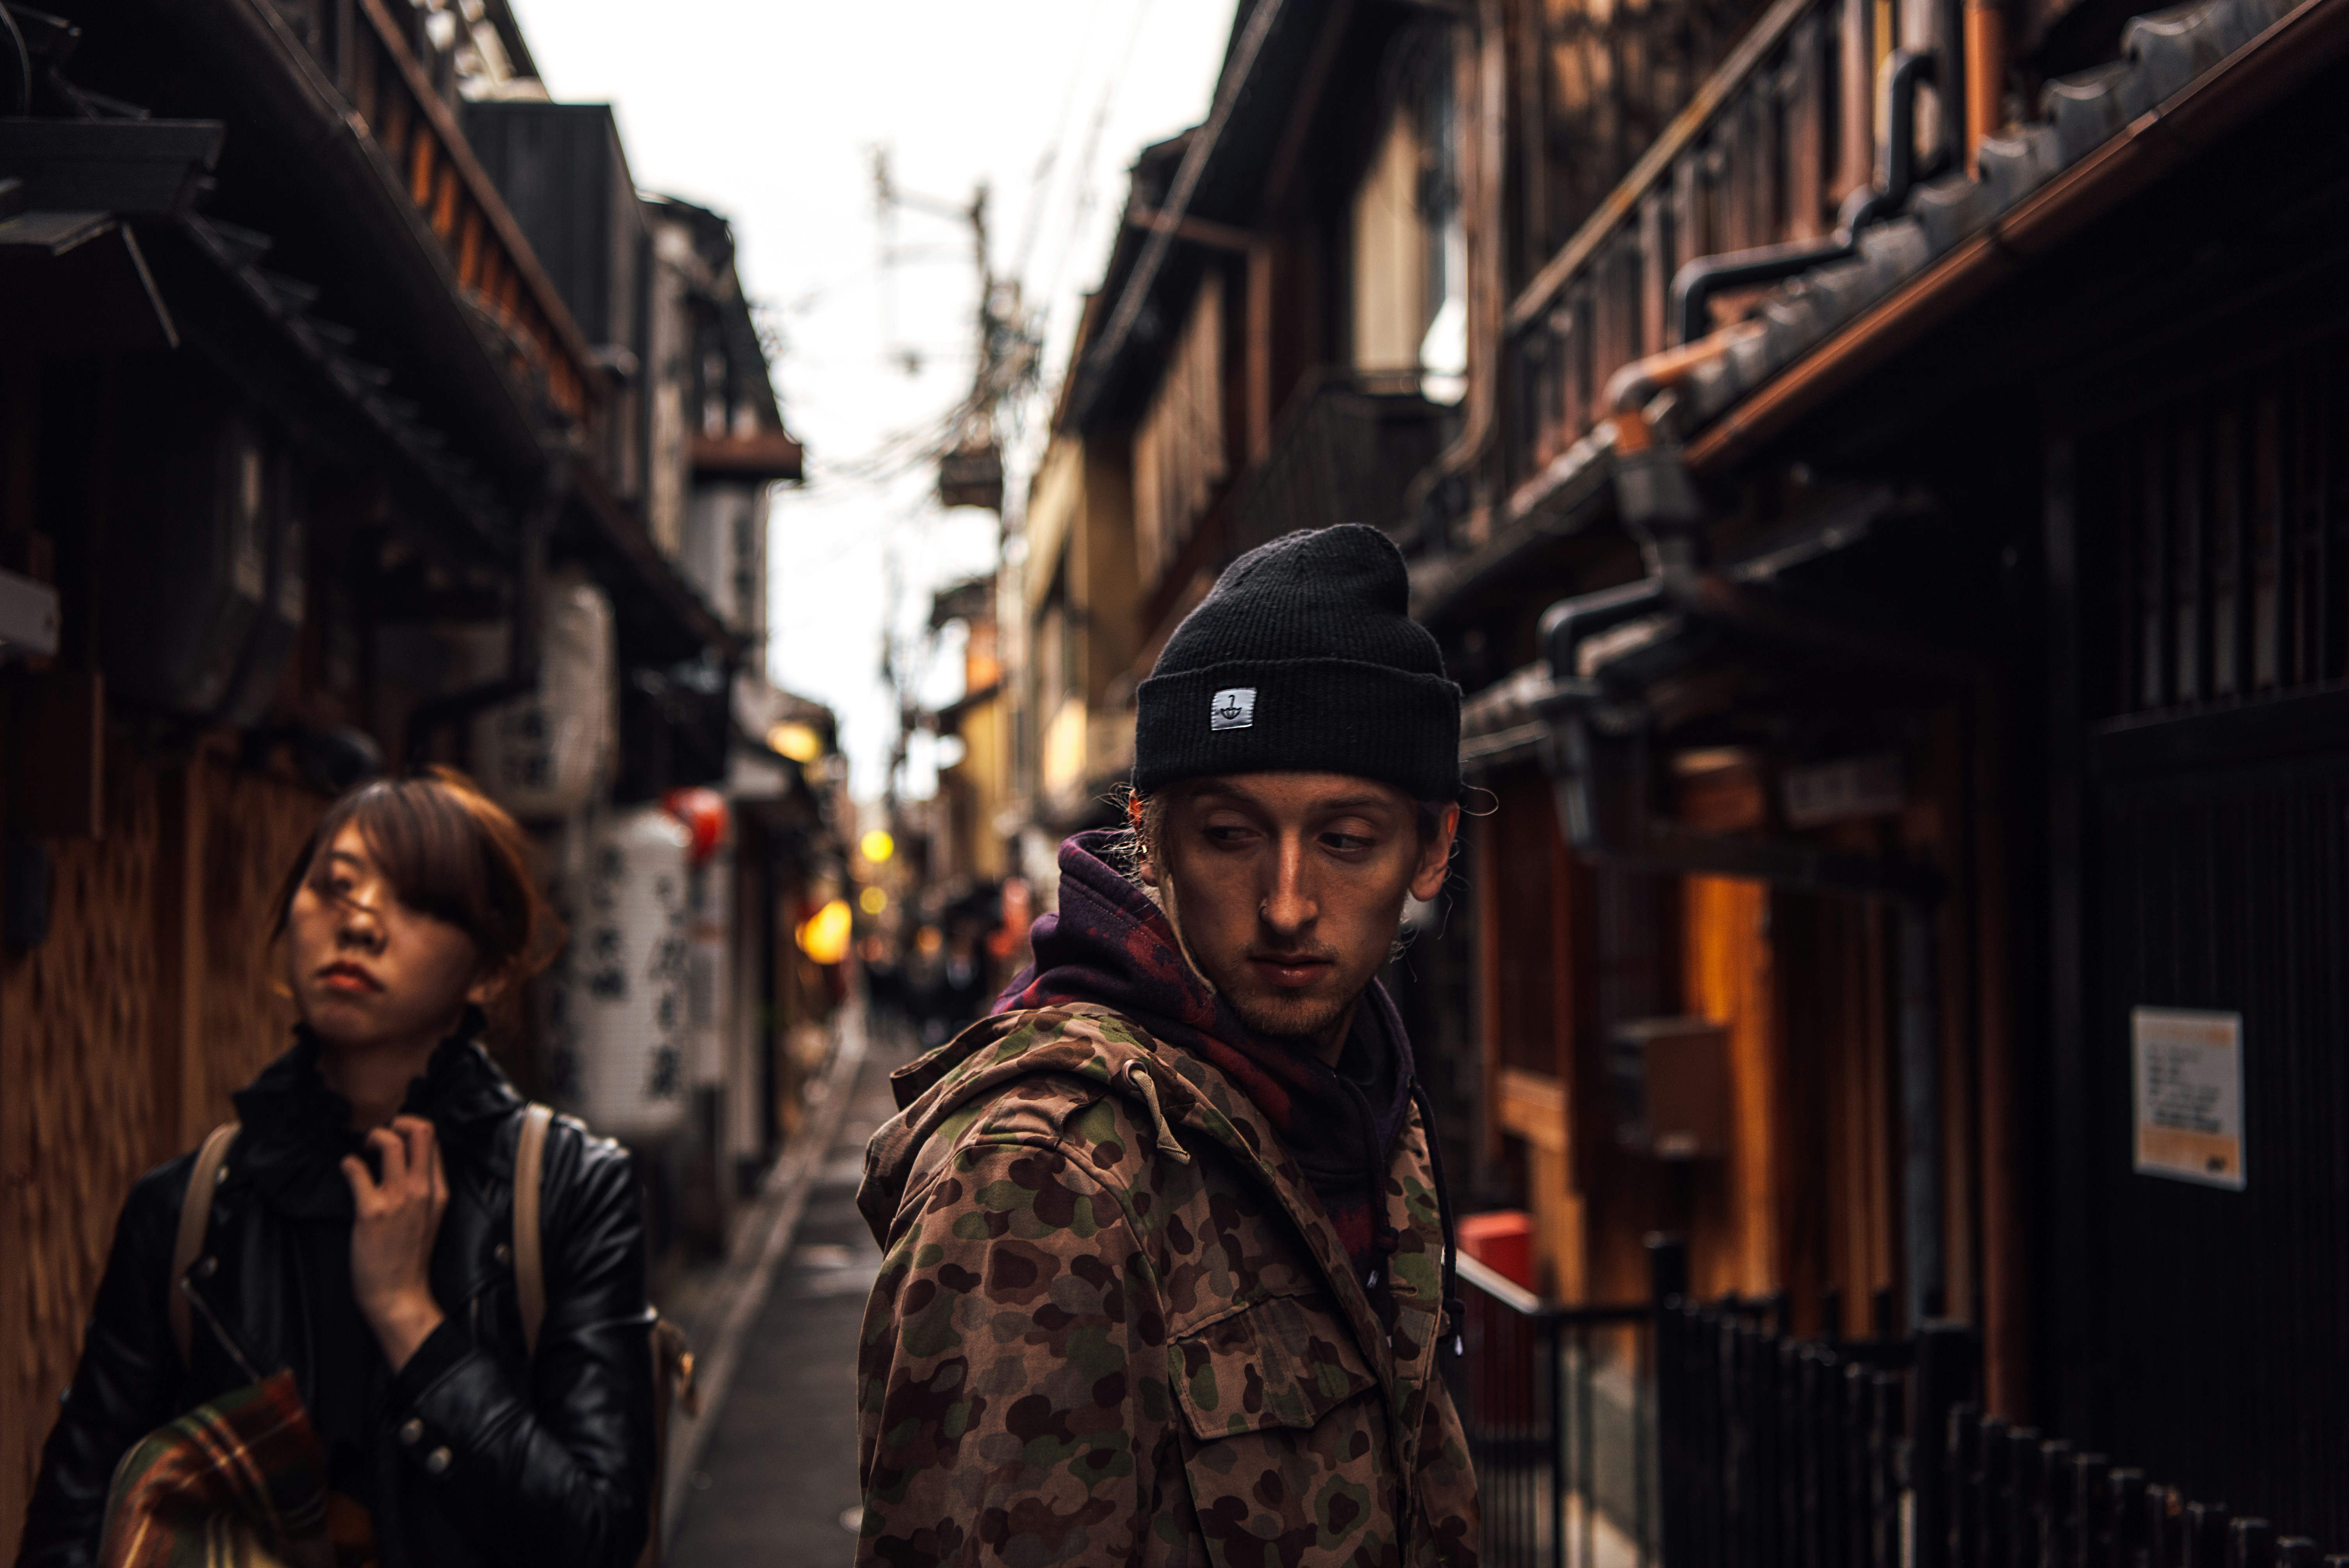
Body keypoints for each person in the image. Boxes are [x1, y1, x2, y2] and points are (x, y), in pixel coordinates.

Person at [855, 524, 1479, 1566]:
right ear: (1148, 836)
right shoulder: (1045, 1176)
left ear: (1432, 850)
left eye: (1346, 840)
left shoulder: (1360, 1100)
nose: (1288, 904)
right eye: (1230, 835)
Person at [18, 770, 655, 1568]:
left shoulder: (568, 1190)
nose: (358, 921)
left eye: (415, 901)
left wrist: (407, 1316)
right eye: (334, 886)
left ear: (489, 973)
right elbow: (73, 1518)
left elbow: (599, 1532)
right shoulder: (185, 1210)